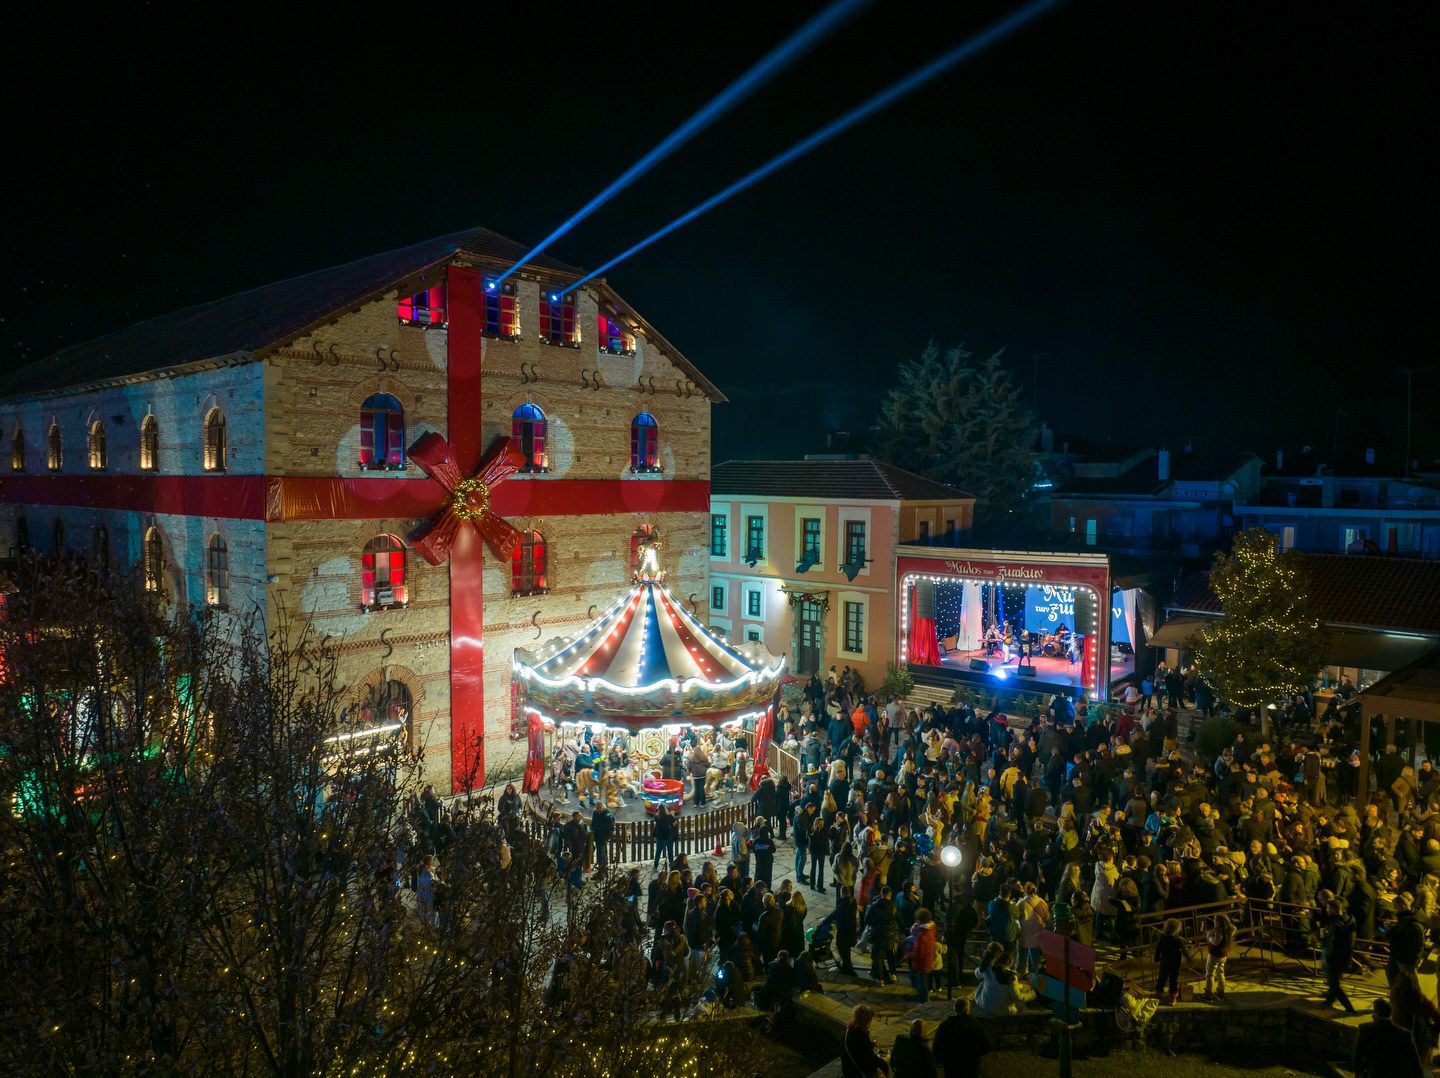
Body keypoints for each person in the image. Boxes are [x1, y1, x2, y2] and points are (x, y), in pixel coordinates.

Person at [1353, 999, 1423, 1078]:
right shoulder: (1405, 1034)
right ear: (1391, 1014)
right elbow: (1414, 1062)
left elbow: (1357, 1056)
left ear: (1374, 1015)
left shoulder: (1365, 1029)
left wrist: (1358, 1073)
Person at [932, 999, 991, 1078]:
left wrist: (941, 1060)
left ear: (955, 1009)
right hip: (971, 1066)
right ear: (968, 1009)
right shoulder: (976, 1025)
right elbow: (987, 1046)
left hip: (951, 1066)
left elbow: (937, 1046)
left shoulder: (945, 1026)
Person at [1321, 899, 1358, 1013]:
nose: (1326, 910)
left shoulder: (1334, 925)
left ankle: (1349, 1008)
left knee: (1334, 983)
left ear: (1333, 909)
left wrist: (1324, 935)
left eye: (1328, 908)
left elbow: (1332, 944)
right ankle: (1329, 1001)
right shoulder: (1350, 920)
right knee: (1334, 980)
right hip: (1345, 956)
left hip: (1334, 957)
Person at [841, 1004, 890, 1078]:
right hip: (855, 1073)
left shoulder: (851, 1031)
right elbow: (867, 1061)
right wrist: (879, 1068)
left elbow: (860, 1050)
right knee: (885, 1064)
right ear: (866, 1022)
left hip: (849, 1069)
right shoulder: (859, 1037)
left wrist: (872, 1044)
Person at [903, 908, 939, 1002]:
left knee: (921, 982)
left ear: (920, 920)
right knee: (915, 977)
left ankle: (923, 999)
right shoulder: (930, 928)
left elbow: (918, 953)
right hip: (927, 959)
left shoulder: (922, 935)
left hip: (921, 963)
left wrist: (908, 954)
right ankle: (922, 996)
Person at [1202, 914, 1233, 1002]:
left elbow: (1216, 942)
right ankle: (1220, 994)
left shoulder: (1218, 931)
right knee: (1220, 974)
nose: (1214, 922)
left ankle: (1208, 995)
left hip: (1214, 955)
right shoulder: (1228, 930)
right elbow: (1234, 927)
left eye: (1215, 921)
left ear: (1218, 922)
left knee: (1210, 974)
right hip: (1223, 956)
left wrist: (1209, 936)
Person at [1154, 917, 1184, 1005]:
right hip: (1175, 965)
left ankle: (1158, 997)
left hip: (1164, 963)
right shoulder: (1178, 940)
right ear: (1177, 929)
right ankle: (1172, 999)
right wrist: (1189, 959)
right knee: (1173, 981)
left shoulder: (1162, 938)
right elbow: (1185, 951)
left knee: (1161, 980)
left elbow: (1158, 950)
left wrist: (1156, 958)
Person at [651, 806, 675, 872]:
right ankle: (671, 864)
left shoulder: (656, 817)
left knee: (658, 853)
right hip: (668, 837)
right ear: (665, 809)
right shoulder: (669, 816)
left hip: (660, 838)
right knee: (670, 851)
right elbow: (673, 822)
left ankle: (655, 866)